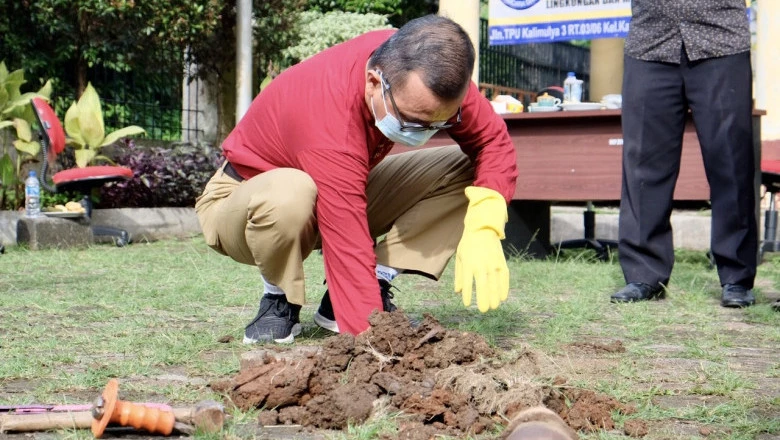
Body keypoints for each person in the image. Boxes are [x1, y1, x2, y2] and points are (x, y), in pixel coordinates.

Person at [195, 15, 518, 343]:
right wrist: (374, 340)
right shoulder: (329, 114)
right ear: (374, 82)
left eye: (439, 124)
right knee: (290, 193)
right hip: (242, 201)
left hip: (336, 188)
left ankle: (365, 286)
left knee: (470, 174)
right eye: (413, 120)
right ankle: (278, 296)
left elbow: (493, 142)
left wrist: (485, 223)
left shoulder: (428, 64)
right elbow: (347, 241)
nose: (425, 133)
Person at [612, 0, 757, 307]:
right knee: (643, 164)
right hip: (650, 41)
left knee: (731, 161)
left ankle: (736, 277)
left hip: (720, 38)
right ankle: (643, 273)